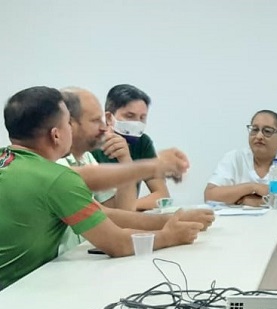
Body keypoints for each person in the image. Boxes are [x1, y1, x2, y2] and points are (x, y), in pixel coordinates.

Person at [0, 86, 206, 290]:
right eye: (68, 123)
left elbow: (104, 212)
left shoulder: (13, 162)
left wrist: (170, 220)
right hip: (15, 294)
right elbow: (117, 244)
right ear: (56, 135)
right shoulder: (57, 178)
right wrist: (169, 236)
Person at [204, 110, 277, 207]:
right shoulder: (234, 157)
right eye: (254, 129)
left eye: (267, 131)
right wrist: (253, 187)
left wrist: (260, 202)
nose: (259, 136)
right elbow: (209, 195)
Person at [91, 84, 171, 211]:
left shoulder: (143, 142)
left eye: (142, 118)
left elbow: (162, 195)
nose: (137, 123)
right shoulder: (92, 145)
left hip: (127, 217)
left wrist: (129, 206)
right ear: (109, 118)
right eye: (129, 116)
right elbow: (101, 209)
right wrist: (126, 207)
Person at [58, 88, 137, 211]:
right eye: (95, 121)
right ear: (69, 123)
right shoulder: (56, 163)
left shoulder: (86, 157)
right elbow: (104, 215)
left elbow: (122, 211)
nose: (104, 128)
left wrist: (126, 161)